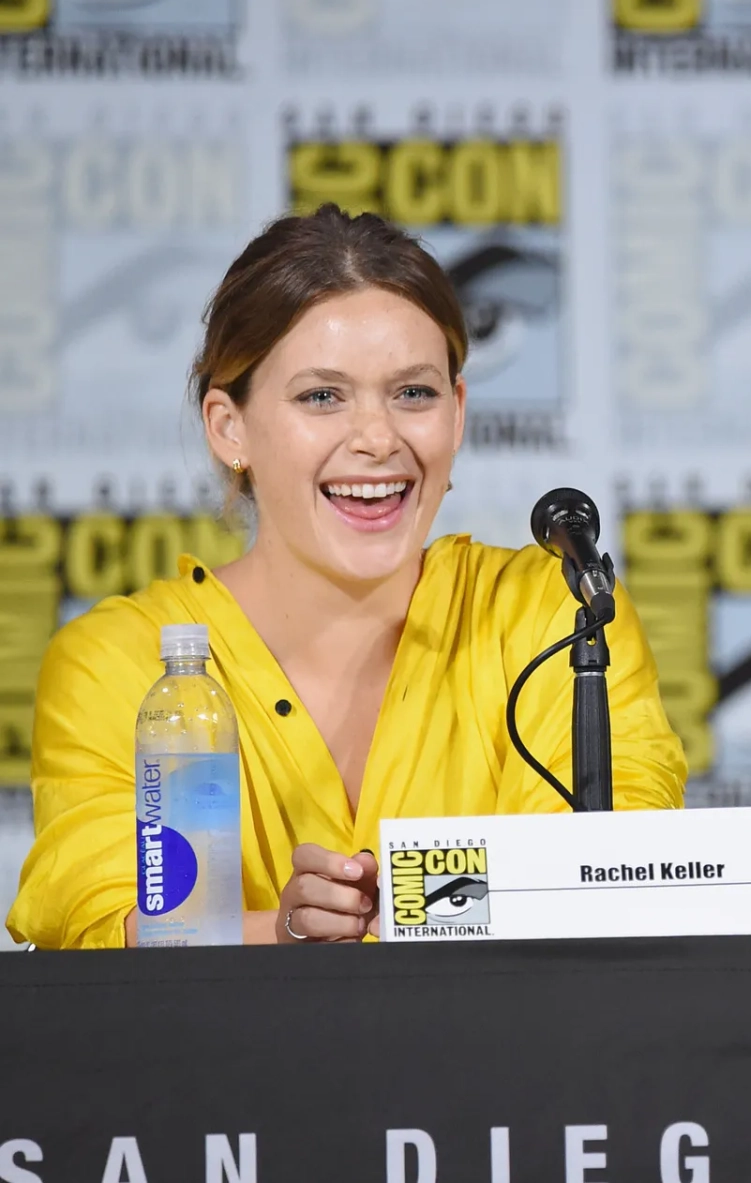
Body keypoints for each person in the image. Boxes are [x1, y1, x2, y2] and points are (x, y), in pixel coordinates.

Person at [7, 206, 687, 950]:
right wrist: (286, 931)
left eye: (414, 393)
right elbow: (91, 917)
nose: (377, 438)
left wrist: (369, 916)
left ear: (457, 413)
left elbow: (612, 873)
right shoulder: (118, 662)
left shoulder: (555, 610)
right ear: (228, 426)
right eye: (322, 396)